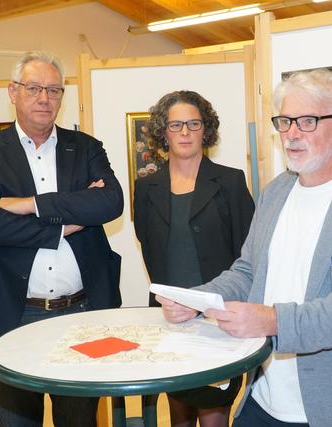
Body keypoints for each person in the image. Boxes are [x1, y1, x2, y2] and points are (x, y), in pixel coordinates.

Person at [158, 69, 332, 427]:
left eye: (307, 121)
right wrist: (199, 301)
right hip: (264, 399)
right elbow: (248, 271)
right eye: (284, 121)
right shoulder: (276, 192)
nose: (291, 134)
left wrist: (275, 321)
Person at [0, 50, 124, 426]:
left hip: (81, 310)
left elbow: (110, 202)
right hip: (15, 313)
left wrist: (27, 204)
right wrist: (62, 225)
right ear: (12, 92)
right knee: (18, 419)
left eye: (54, 90)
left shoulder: (85, 147)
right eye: (34, 88)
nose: (44, 98)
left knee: (79, 418)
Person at [133, 90, 255, 427]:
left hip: (218, 319)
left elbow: (249, 252)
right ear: (163, 132)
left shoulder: (230, 182)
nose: (185, 132)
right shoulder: (146, 188)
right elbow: (149, 245)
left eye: (193, 124)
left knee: (214, 414)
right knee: (179, 415)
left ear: (206, 130)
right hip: (169, 317)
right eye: (176, 125)